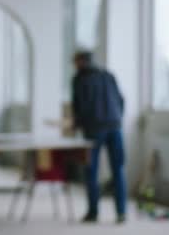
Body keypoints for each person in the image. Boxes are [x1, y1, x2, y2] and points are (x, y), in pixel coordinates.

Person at [71, 50, 127, 224]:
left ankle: (93, 213)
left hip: (94, 130)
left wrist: (76, 124)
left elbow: (80, 106)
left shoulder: (79, 78)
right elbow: (121, 100)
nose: (74, 65)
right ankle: (121, 213)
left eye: (75, 62)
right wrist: (117, 119)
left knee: (91, 171)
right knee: (118, 170)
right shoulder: (108, 74)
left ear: (80, 61)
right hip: (115, 126)